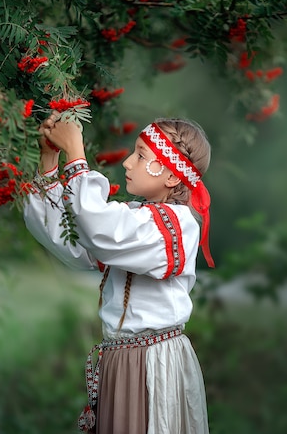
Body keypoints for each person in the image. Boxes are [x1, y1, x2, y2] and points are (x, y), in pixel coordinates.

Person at [23, 112, 214, 434]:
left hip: (153, 363)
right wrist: (49, 158)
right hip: (120, 361)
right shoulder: (138, 216)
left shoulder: (176, 226)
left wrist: (76, 155)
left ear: (170, 176)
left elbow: (102, 231)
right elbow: (70, 241)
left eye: (140, 155)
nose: (127, 163)